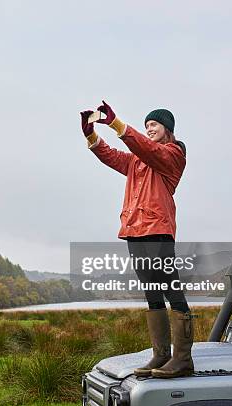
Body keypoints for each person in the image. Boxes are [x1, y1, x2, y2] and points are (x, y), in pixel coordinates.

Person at [80, 101, 194, 378]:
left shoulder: (174, 153)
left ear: (167, 129)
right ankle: (161, 355)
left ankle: (183, 359)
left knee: (170, 287)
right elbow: (112, 155)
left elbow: (147, 148)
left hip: (158, 229)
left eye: (153, 124)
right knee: (152, 291)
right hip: (135, 230)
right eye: (146, 126)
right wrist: (91, 135)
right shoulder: (136, 160)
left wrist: (117, 124)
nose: (149, 129)